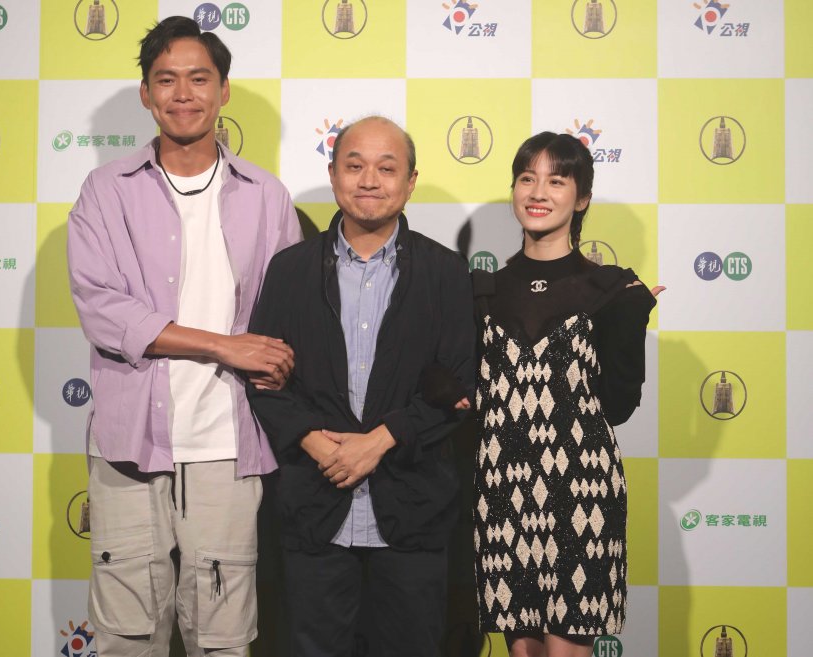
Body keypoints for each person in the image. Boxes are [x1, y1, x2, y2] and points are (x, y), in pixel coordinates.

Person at [66, 16, 301, 657]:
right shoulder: (105, 191)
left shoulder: (266, 194)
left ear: (224, 90)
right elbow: (102, 309)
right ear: (146, 93)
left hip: (229, 442)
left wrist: (277, 357)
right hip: (128, 441)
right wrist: (223, 344)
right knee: (127, 635)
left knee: (223, 638)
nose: (183, 94)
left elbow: (288, 313)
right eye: (166, 80)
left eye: (199, 78)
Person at [246, 116, 475, 657]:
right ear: (333, 175)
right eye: (355, 166)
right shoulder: (290, 270)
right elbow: (263, 378)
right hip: (313, 509)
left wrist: (379, 441)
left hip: (413, 510)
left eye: (386, 168)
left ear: (410, 181)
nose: (369, 180)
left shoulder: (445, 272)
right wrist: (316, 443)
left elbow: (458, 386)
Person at [468, 132, 662, 657]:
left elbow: (617, 407)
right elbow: (469, 393)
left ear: (582, 198)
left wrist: (630, 323)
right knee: (522, 651)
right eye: (526, 178)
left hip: (582, 488)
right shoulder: (482, 290)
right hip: (502, 484)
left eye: (557, 180)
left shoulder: (611, 289)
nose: (538, 192)